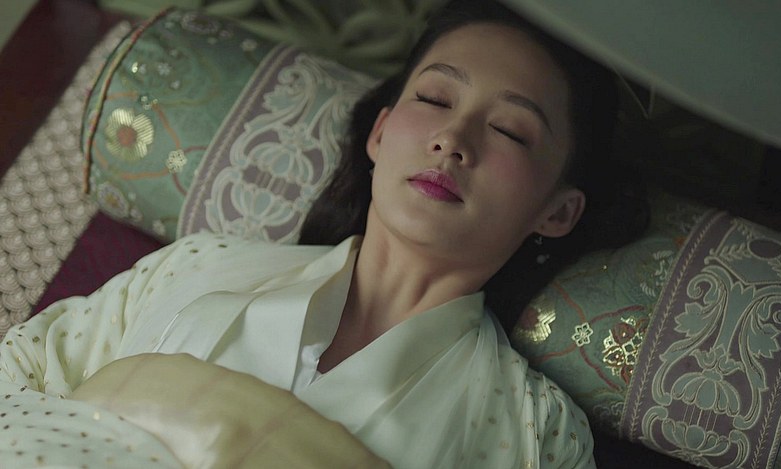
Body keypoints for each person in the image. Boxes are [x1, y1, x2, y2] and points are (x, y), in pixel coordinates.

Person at [0, 0, 646, 467]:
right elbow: (16, 378)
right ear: (379, 132)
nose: (453, 138)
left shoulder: (535, 433)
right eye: (434, 99)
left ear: (557, 211)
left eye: (509, 130)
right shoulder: (196, 265)